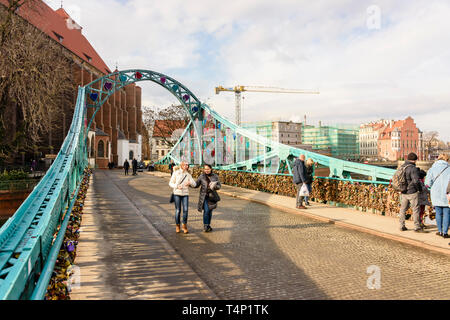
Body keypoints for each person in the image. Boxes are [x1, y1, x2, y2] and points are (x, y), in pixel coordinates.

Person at [398, 152, 425, 232]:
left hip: (403, 191)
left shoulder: (403, 166)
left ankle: (401, 226)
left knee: (403, 209)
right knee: (416, 209)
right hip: (412, 191)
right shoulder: (413, 168)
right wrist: (419, 189)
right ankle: (417, 227)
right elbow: (416, 181)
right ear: (415, 160)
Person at [425, 154, 450, 238]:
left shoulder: (432, 169)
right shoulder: (449, 168)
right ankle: (445, 232)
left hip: (436, 194)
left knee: (438, 213)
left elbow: (427, 183)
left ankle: (439, 231)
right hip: (447, 194)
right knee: (447, 213)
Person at [193, 164, 221, 232]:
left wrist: (214, 186)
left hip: (212, 197)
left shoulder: (215, 176)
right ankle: (205, 226)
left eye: (208, 169)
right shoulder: (201, 176)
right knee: (206, 211)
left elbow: (219, 186)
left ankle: (208, 225)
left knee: (210, 211)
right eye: (205, 169)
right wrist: (190, 183)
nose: (206, 170)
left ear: (211, 169)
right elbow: (196, 185)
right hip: (204, 196)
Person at [169, 161, 196, 234]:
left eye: (187, 165)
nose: (186, 166)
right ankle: (177, 225)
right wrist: (177, 186)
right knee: (178, 210)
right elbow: (170, 183)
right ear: (181, 165)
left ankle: (184, 225)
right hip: (177, 193)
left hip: (185, 194)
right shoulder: (176, 172)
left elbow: (194, 184)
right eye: (185, 165)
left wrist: (190, 183)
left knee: (186, 210)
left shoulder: (188, 174)